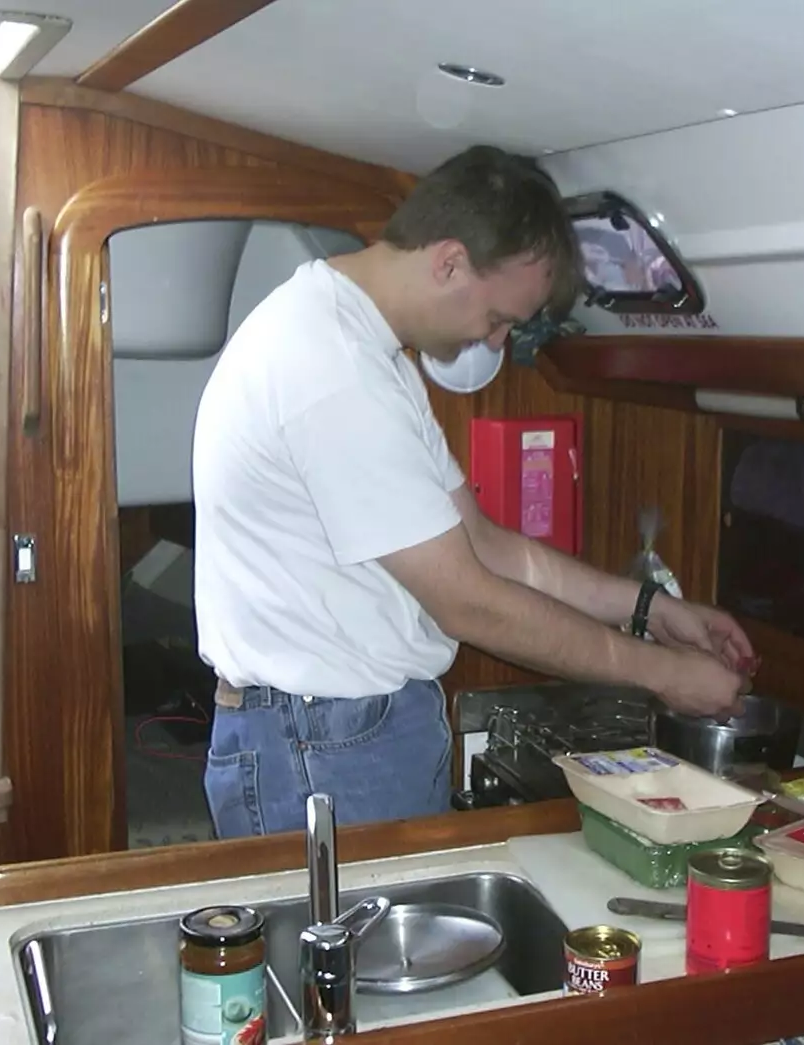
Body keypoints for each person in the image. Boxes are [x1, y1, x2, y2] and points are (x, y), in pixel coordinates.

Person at [192, 144, 754, 839]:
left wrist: (650, 608)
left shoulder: (364, 351)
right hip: (319, 748)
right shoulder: (332, 371)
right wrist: (663, 675)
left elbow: (489, 548)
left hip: (345, 733)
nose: (495, 339)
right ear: (450, 261)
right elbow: (469, 600)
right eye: (496, 318)